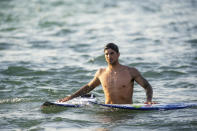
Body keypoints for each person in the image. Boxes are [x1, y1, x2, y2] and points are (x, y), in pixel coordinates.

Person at [59, 43, 153, 104]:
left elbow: (147, 86)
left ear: (118, 54)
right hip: (108, 111)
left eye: (112, 53)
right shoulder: (101, 73)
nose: (109, 56)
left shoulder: (130, 71)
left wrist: (148, 100)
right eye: (106, 54)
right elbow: (88, 87)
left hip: (126, 112)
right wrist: (70, 97)